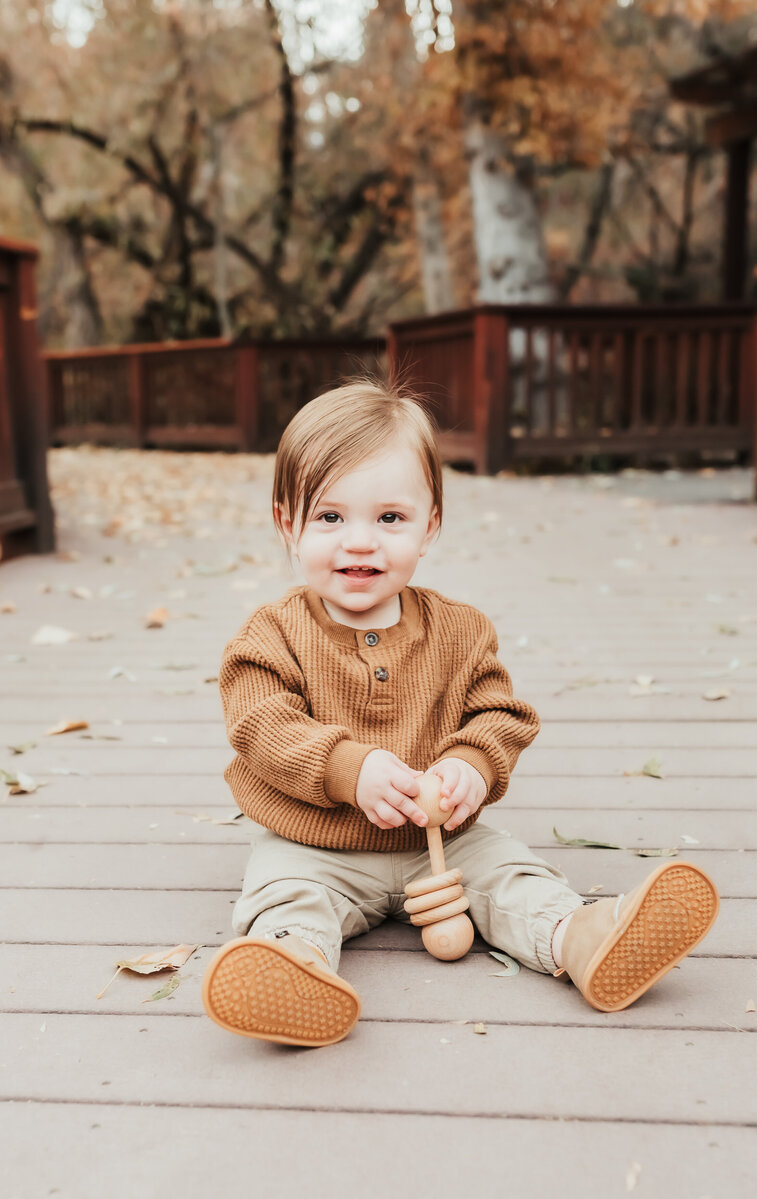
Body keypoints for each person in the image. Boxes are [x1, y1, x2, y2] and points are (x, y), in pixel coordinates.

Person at [201, 380, 719, 1047]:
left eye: (390, 518)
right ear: (286, 523)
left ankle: (584, 936)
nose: (360, 542)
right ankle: (293, 967)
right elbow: (260, 723)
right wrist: (345, 767)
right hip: (316, 842)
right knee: (284, 894)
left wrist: (471, 764)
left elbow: (498, 712)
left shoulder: (460, 629)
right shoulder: (269, 635)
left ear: (431, 522)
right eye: (330, 517)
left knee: (512, 875)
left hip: (442, 842)